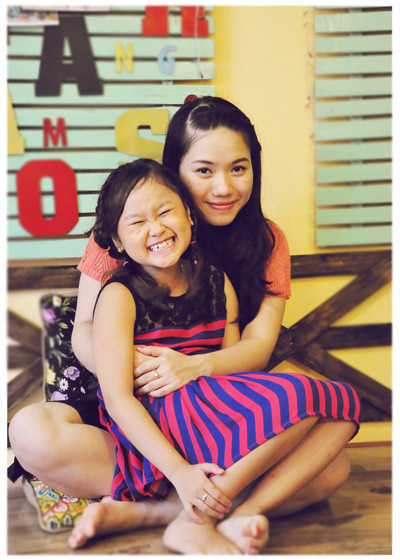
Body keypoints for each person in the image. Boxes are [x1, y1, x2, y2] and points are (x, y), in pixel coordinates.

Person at [8, 97, 355, 552]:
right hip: (131, 408)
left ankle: (154, 511)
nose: (223, 187)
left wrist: (193, 367)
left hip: (216, 395)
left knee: (333, 467)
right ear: (176, 170)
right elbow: (86, 329)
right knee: (31, 431)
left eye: (239, 168)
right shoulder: (124, 232)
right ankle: (200, 498)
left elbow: (255, 346)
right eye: (204, 170)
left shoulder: (260, 245)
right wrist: (139, 367)